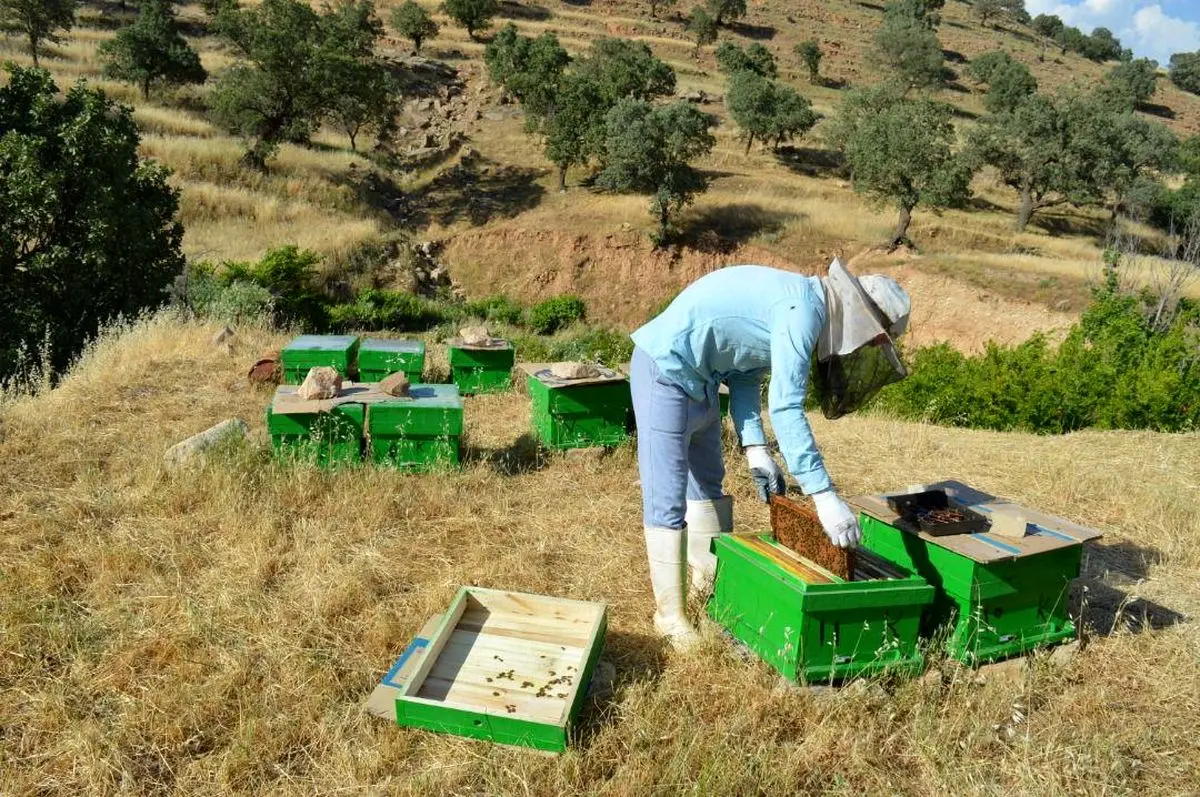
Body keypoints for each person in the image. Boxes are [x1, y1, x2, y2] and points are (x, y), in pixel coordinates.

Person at [629, 258, 912, 648]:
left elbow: (744, 369)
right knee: (668, 496)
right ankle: (669, 616)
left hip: (704, 380)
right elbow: (786, 408)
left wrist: (756, 448)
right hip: (667, 368)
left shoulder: (805, 306)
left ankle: (704, 590)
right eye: (874, 338)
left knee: (708, 488)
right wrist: (823, 496)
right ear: (860, 318)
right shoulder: (803, 312)